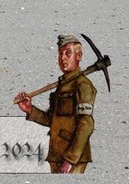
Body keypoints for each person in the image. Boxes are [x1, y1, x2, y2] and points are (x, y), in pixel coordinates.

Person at [15, 35, 95, 173]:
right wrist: (30, 110)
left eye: (68, 53)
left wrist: (70, 159)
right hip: (57, 154)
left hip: (73, 160)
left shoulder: (83, 85)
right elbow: (52, 120)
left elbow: (86, 124)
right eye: (60, 53)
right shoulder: (62, 86)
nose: (63, 58)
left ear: (78, 56)